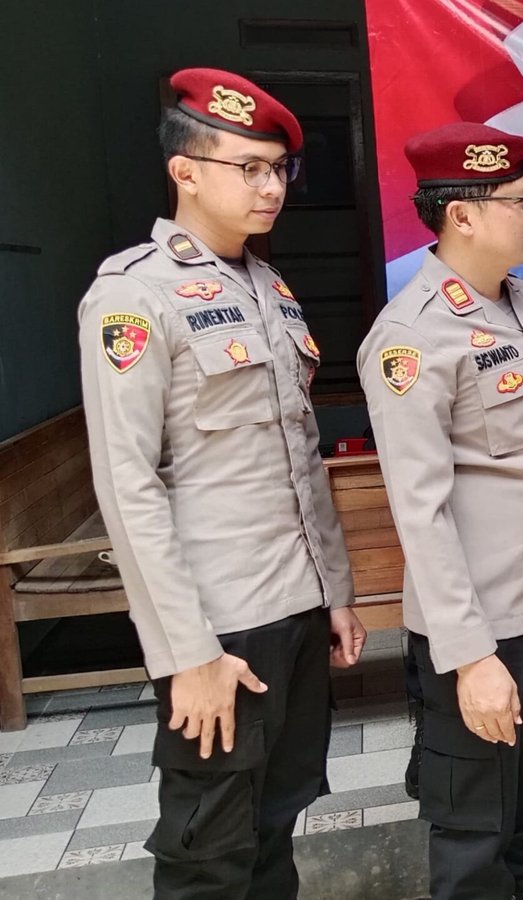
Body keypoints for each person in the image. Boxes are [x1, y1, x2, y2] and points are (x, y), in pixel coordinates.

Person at [78, 67, 363, 899]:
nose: (272, 187)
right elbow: (127, 484)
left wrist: (334, 592)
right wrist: (187, 653)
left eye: (280, 169)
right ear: (186, 171)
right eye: (250, 168)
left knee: (276, 828)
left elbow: (300, 456)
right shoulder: (134, 294)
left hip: (294, 608)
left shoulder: (269, 289)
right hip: (219, 625)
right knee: (208, 853)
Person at [357, 122, 523, 900]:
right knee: (476, 840)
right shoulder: (410, 337)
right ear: (462, 215)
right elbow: (421, 512)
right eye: (522, 200)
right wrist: (471, 659)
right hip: (484, 630)